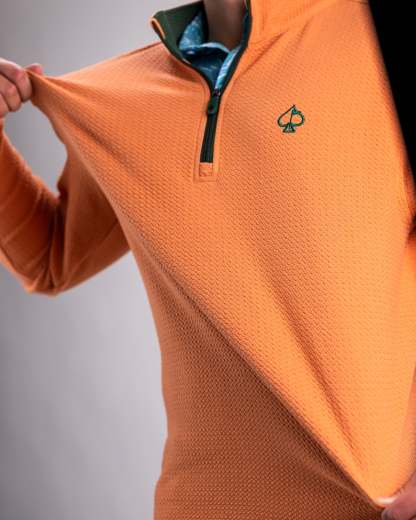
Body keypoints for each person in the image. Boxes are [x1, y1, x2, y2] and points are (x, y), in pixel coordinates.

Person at [0, 0, 415, 518]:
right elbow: (49, 258)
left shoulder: (368, 38)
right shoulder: (122, 101)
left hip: (375, 506)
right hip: (202, 503)